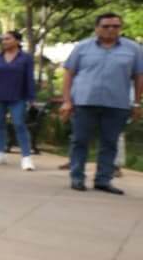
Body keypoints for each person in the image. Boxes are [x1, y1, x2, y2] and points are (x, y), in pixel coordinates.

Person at [59, 13, 143, 195]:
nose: (111, 30)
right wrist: (66, 101)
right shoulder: (82, 47)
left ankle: (103, 180)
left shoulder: (133, 49)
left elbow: (138, 76)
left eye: (115, 26)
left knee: (109, 143)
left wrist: (137, 103)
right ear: (97, 28)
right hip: (84, 101)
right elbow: (69, 73)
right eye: (106, 26)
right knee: (80, 140)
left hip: (117, 103)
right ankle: (77, 177)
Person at [0, 31, 38, 170]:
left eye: (8, 39)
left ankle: (26, 157)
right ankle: (0, 153)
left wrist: (31, 97)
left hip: (17, 97)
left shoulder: (25, 58)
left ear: (17, 41)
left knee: (19, 124)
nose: (4, 41)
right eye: (3, 39)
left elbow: (29, 78)